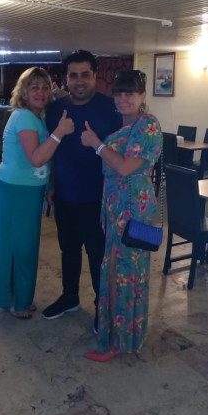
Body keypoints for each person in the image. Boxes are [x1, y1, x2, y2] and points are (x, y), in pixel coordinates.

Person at [81, 70, 162, 361]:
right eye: (119, 93)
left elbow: (126, 167)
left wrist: (96, 143)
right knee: (124, 270)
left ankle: (117, 341)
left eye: (130, 93)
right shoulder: (127, 125)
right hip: (118, 204)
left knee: (122, 272)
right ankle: (127, 336)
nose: (123, 98)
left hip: (132, 206)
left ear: (143, 96)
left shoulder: (148, 124)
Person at [42, 50, 122, 330]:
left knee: (98, 256)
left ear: (94, 76)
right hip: (64, 196)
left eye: (85, 75)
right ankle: (70, 297)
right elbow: (52, 150)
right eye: (73, 75)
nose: (79, 81)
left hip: (99, 199)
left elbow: (122, 151)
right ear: (66, 78)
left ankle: (102, 307)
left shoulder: (111, 108)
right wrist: (52, 185)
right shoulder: (55, 109)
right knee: (68, 251)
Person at [0, 67, 74, 319]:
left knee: (20, 246)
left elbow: (40, 160)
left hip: (25, 190)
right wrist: (60, 131)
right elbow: (36, 158)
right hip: (16, 192)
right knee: (20, 248)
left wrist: (47, 186)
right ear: (23, 91)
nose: (40, 92)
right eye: (34, 87)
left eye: (45, 87)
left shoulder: (37, 116)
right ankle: (18, 304)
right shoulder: (25, 117)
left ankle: (15, 298)